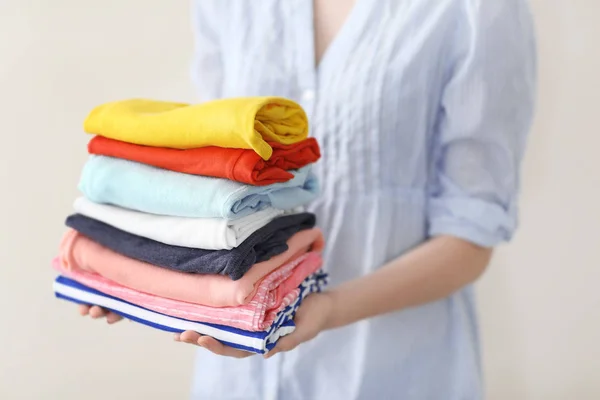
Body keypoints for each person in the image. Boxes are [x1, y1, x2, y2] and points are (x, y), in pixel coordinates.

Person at [80, 0, 536, 398]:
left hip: (392, 371)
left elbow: (471, 236)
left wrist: (329, 308)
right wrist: (140, 277)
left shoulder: (476, 8)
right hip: (236, 373)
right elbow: (218, 173)